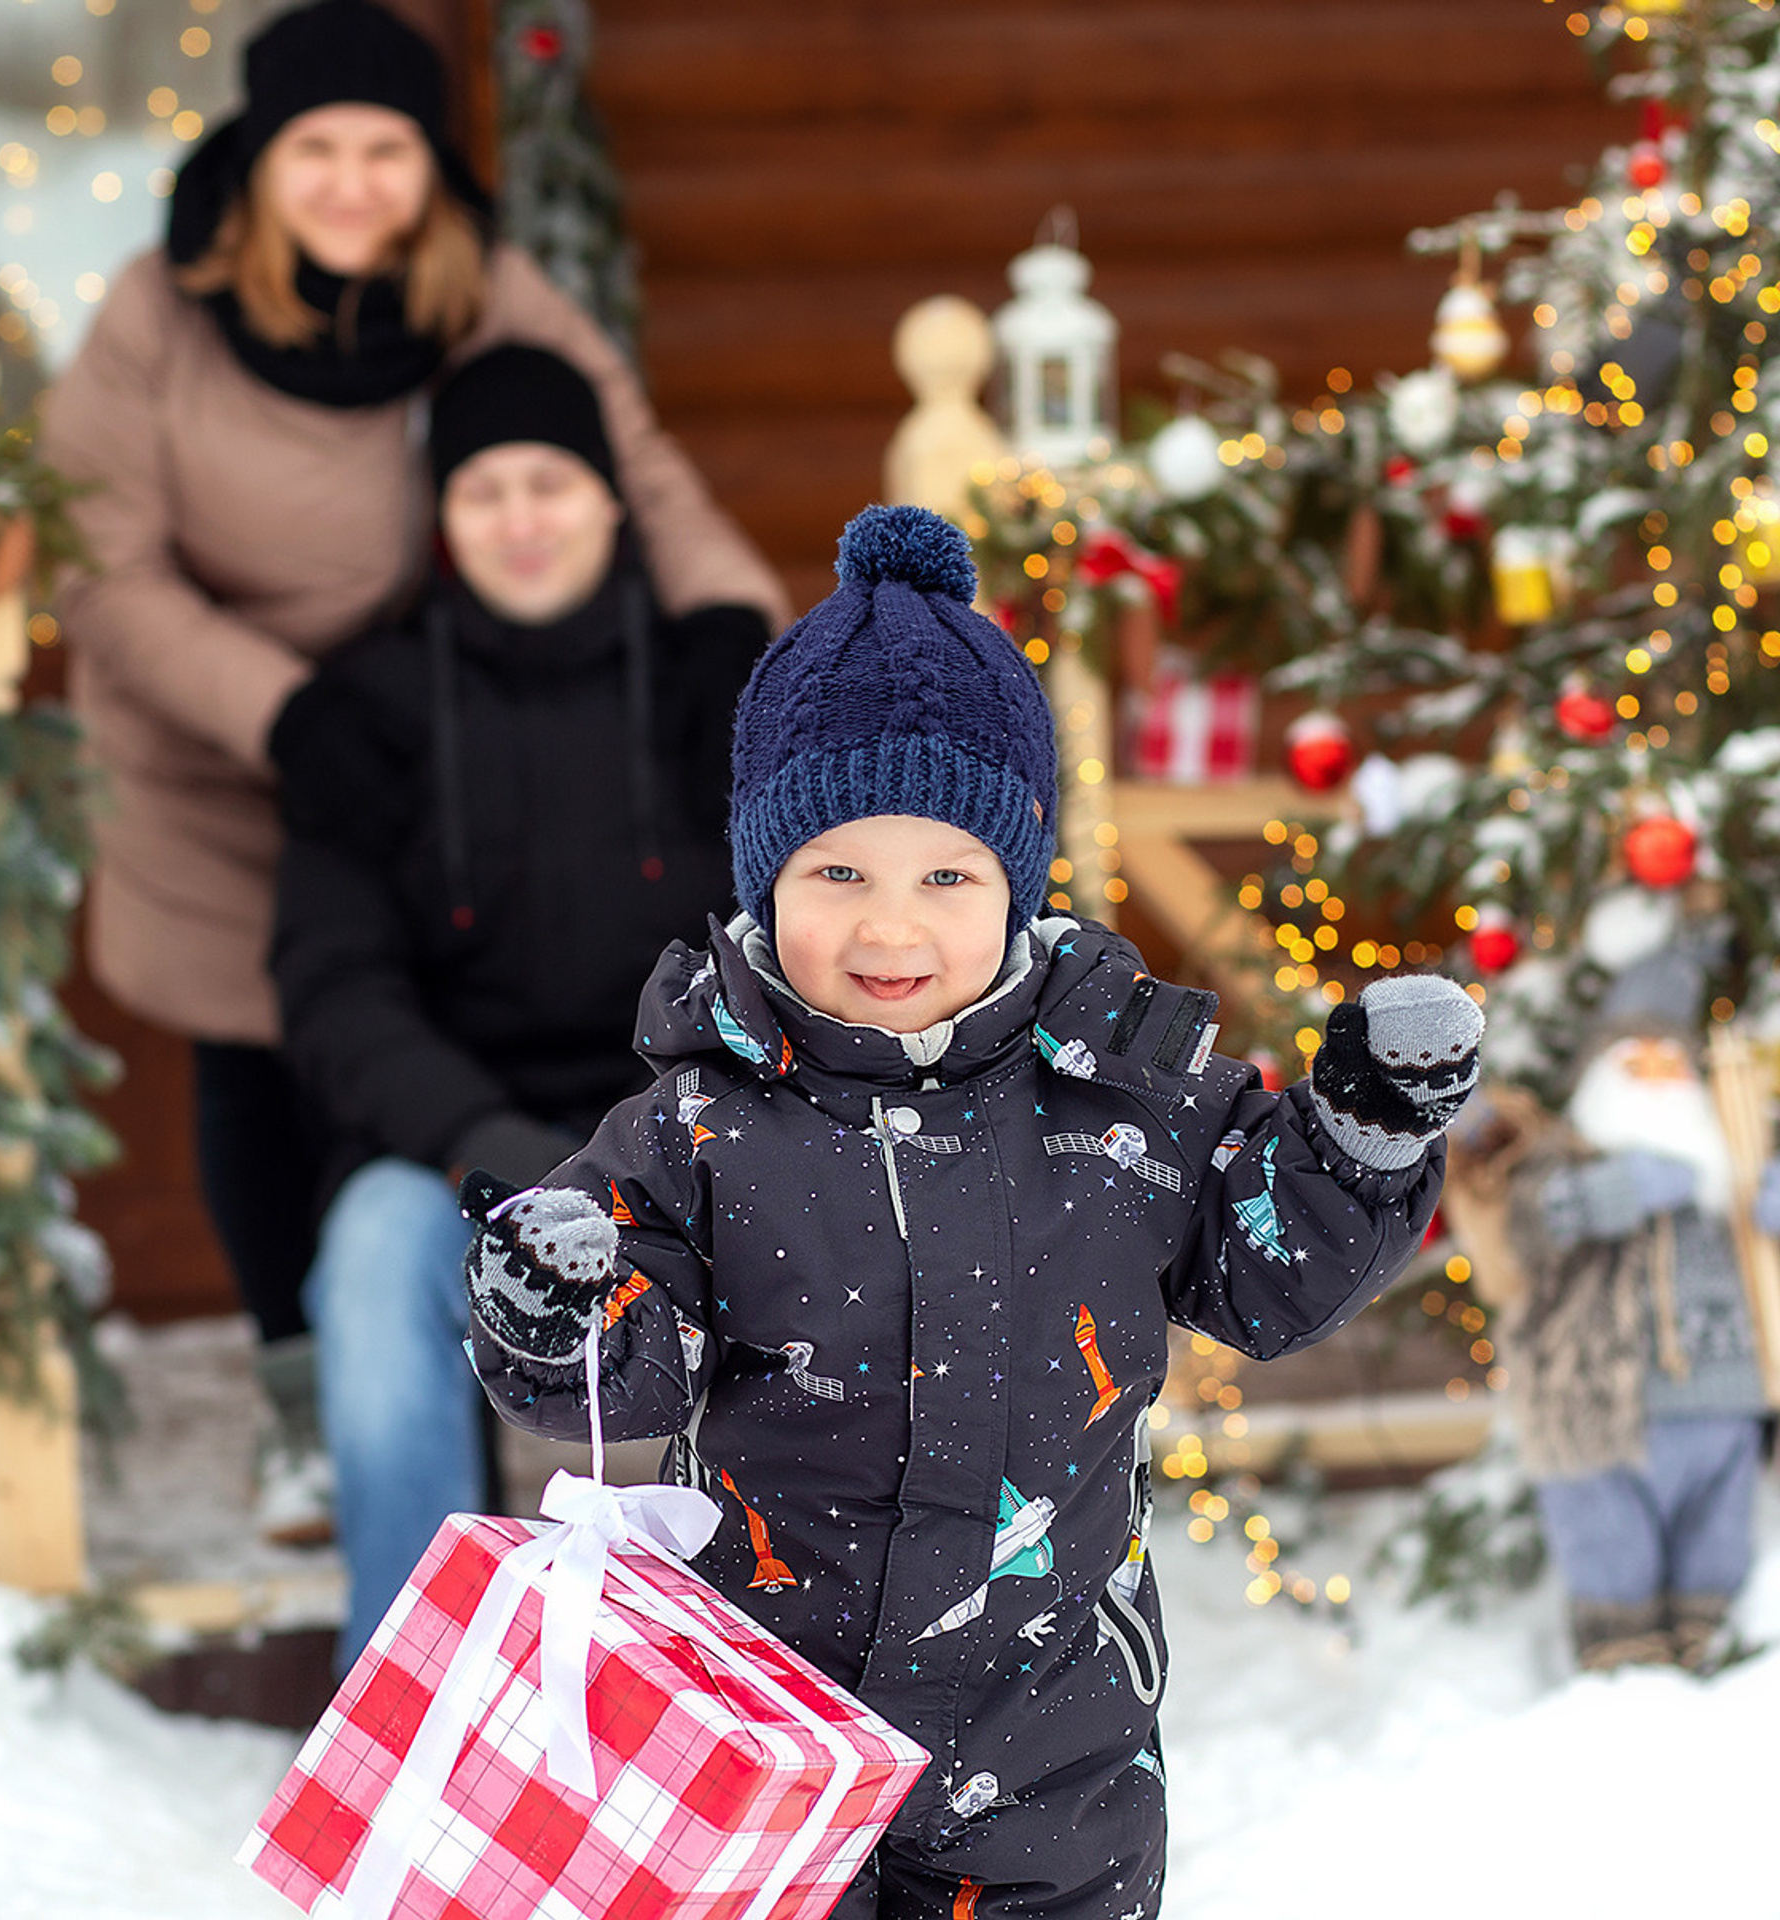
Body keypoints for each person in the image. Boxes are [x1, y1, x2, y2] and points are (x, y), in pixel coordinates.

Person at [459, 504, 1480, 1920]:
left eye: (948, 876)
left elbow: (1268, 1277)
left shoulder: (1129, 1096)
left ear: (1020, 881)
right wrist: (549, 1304)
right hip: (766, 1748)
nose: (892, 929)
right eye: (839, 876)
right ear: (765, 883)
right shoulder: (701, 1124)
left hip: (1051, 1768)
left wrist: (1359, 1140)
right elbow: (622, 1359)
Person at [40, 0, 786, 1542]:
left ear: (429, 168)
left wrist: (727, 629)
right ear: (258, 166)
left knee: (413, 1042)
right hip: (234, 732)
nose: (354, 182)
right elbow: (99, 567)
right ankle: (300, 1392)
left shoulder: (486, 290)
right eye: (318, 148)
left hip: (488, 686)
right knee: (277, 1040)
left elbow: (623, 462)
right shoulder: (157, 319)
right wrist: (291, 712)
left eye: (387, 148)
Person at [268, 340, 769, 1668]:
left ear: (612, 501)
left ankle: (766, 1676)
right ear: (442, 521)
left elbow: (785, 936)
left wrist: (686, 1124)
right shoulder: (365, 717)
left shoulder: (709, 697)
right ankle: (410, 1686)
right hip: (452, 1150)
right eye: (485, 490)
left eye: (552, 481)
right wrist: (478, 1142)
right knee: (372, 1259)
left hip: (688, 1129)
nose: (524, 520)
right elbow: (333, 990)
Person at [1465, 948, 1770, 1673]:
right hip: (1599, 1409)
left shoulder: (1733, 1167)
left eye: (1673, 1062)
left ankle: (1716, 1650)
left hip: (1725, 1403)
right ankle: (1622, 1660)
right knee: (1607, 1543)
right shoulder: (1560, 1158)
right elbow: (1522, 1225)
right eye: (1639, 1062)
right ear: (1603, 1076)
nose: (1660, 1076)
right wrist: (1610, 1192)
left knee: (1719, 1542)